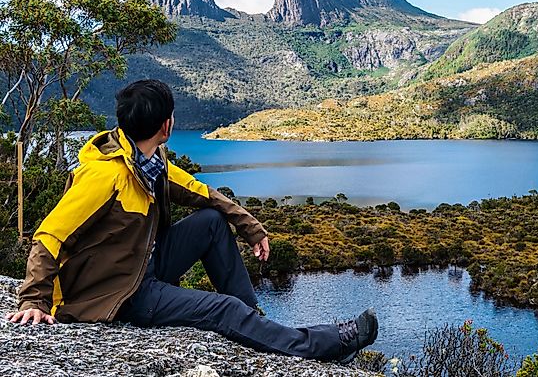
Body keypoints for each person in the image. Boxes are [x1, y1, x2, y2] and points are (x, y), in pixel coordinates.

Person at [4, 79, 378, 364]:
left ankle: (257, 326)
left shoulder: (148, 163)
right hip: (119, 293)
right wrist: (33, 299)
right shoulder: (105, 176)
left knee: (212, 222)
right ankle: (325, 346)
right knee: (223, 309)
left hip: (140, 266)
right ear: (166, 126)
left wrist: (250, 227)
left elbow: (200, 192)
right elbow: (49, 235)